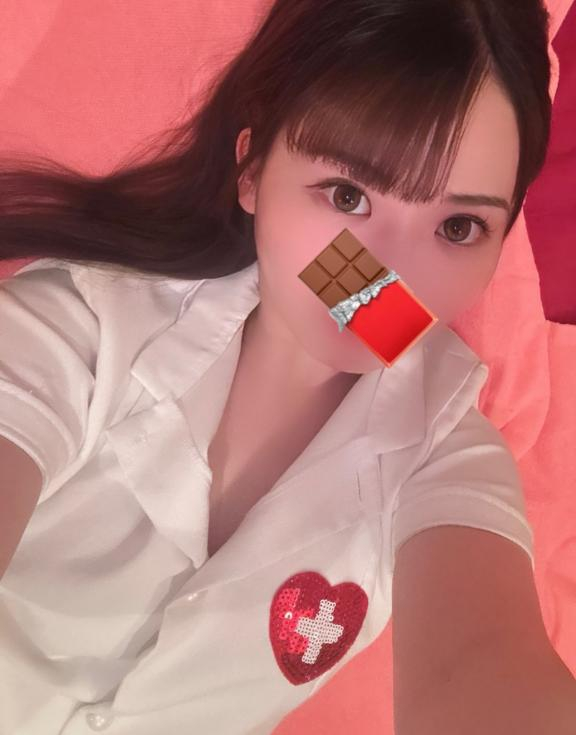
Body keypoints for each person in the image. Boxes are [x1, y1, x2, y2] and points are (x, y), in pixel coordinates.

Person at [0, 1, 562, 733]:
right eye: (348, 195)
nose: (392, 275)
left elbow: (482, 668)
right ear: (253, 170)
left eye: (459, 226)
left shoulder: (446, 456)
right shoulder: (79, 329)